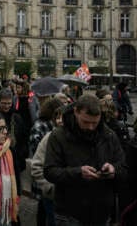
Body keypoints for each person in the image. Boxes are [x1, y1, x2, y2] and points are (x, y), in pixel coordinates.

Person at [44, 94, 128, 225]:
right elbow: (49, 171)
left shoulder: (109, 135)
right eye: (86, 122)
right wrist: (78, 172)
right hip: (69, 212)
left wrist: (113, 170)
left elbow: (124, 168)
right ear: (76, 112)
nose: (90, 127)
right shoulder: (58, 136)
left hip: (101, 212)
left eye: (95, 122)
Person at [31, 107, 64, 226]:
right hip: (53, 197)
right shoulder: (49, 137)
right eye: (58, 117)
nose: (60, 120)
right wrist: (49, 188)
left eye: (63, 117)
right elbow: (36, 166)